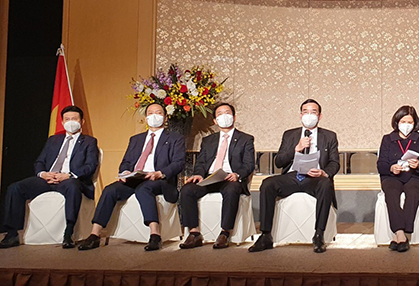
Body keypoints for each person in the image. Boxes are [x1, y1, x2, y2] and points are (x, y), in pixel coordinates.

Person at [78, 102, 185, 251]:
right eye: (151, 113)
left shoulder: (175, 138)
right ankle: (95, 234)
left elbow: (178, 163)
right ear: (146, 118)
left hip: (160, 180)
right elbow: (126, 162)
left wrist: (159, 173)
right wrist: (125, 172)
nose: (155, 116)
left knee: (144, 189)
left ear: (165, 118)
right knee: (110, 190)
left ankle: (155, 234)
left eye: (159, 113)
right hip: (135, 178)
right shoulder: (136, 139)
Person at [0, 106, 99, 249]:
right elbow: (40, 161)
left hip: (69, 180)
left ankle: (68, 232)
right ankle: (11, 234)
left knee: (73, 186)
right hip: (47, 179)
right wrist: (43, 174)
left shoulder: (89, 141)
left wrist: (69, 175)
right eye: (67, 119)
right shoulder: (53, 140)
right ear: (62, 122)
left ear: (82, 121)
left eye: (74, 119)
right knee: (15, 188)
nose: (71, 122)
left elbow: (91, 165)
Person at [249, 99, 339, 253]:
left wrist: (324, 172)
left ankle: (319, 235)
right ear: (300, 115)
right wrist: (296, 149)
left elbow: (334, 163)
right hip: (292, 176)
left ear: (320, 116)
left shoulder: (329, 136)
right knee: (268, 184)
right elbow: (278, 162)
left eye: (313, 112)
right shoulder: (290, 135)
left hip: (315, 178)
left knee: (325, 184)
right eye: (305, 111)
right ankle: (265, 235)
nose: (309, 115)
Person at [178, 103, 255, 249]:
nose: (224, 116)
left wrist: (237, 174)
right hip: (209, 178)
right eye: (220, 114)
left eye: (227, 113)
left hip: (230, 178)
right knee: (187, 190)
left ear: (234, 117)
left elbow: (249, 164)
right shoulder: (208, 140)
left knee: (232, 189)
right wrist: (198, 174)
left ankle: (224, 233)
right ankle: (194, 233)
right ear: (215, 121)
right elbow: (200, 162)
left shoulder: (246, 139)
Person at [376, 105, 419, 252]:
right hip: (393, 177)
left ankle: (402, 235)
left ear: (415, 124)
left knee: (412, 191)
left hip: (416, 177)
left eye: (410, 122)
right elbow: (381, 164)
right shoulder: (388, 139)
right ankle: (400, 233)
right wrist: (391, 168)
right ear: (396, 122)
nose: (406, 125)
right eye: (403, 121)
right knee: (391, 192)